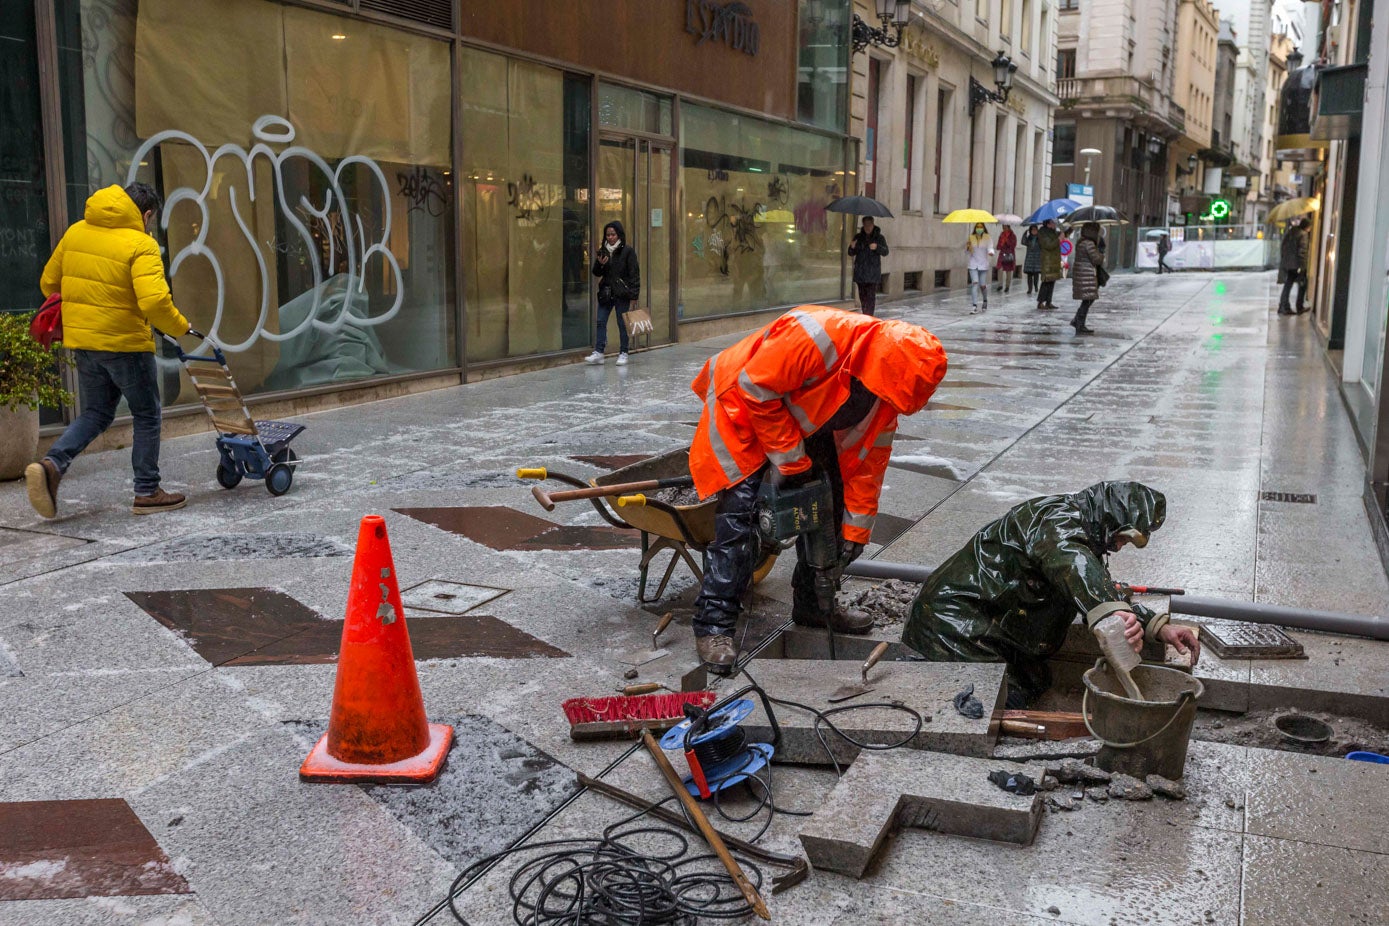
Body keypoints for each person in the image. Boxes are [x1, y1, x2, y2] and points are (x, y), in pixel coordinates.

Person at [686, 308, 948, 671]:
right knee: (741, 520)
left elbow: (866, 464)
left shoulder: (885, 394)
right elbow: (755, 388)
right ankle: (714, 624)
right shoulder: (815, 336)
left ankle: (812, 604)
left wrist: (854, 532)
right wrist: (792, 464)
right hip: (742, 408)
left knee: (831, 509)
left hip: (797, 421)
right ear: (880, 368)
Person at [901, 481, 1201, 708]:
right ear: (1109, 521)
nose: (1119, 547)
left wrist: (1158, 627)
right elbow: (1071, 561)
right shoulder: (1056, 524)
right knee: (1005, 697)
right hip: (953, 621)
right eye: (1121, 538)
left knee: (1034, 681)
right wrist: (1109, 612)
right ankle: (925, 679)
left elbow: (1096, 581)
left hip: (990, 620)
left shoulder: (1081, 529)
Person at [25, 183, 193, 519]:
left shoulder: (76, 233)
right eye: (150, 219)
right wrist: (180, 327)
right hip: (125, 344)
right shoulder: (141, 244)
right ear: (145, 214)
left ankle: (52, 464)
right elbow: (154, 301)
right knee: (147, 413)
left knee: (97, 413)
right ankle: (147, 490)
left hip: (84, 343)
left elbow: (48, 283)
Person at [587, 220, 639, 365]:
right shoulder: (603, 251)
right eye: (607, 235)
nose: (610, 237)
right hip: (606, 292)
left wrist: (634, 295)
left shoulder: (627, 251)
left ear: (619, 235)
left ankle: (623, 352)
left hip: (621, 293)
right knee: (600, 321)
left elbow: (634, 274)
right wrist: (600, 263)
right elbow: (596, 272)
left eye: (613, 234)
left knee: (622, 323)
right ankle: (599, 352)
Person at [847, 217, 888, 316]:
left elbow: (886, 252)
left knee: (870, 298)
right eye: (866, 225)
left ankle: (869, 317)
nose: (868, 227)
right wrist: (852, 247)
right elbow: (851, 253)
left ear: (873, 224)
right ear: (863, 225)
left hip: (873, 273)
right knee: (863, 297)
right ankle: (866, 315)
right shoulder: (858, 237)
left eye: (869, 225)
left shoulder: (879, 238)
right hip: (860, 273)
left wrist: (877, 247)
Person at [1069, 222, 1104, 335]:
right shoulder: (1089, 244)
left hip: (1082, 274)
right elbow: (1096, 259)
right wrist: (1101, 254)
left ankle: (1077, 321)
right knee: (1088, 299)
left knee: (1087, 300)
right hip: (1086, 274)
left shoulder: (1082, 242)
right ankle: (1079, 323)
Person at [1277, 218, 1309, 315]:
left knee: (1288, 284)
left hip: (1287, 263)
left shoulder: (1291, 232)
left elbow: (1283, 245)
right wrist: (1303, 267)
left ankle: (1284, 306)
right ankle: (1298, 306)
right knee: (1303, 283)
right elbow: (1302, 252)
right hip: (1296, 264)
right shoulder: (1303, 234)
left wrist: (1284, 258)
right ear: (1307, 227)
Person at [965, 223, 994, 313]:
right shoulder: (971, 237)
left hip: (983, 265)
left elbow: (990, 248)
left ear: (984, 228)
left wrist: (991, 252)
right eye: (978, 227)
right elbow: (967, 253)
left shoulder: (987, 237)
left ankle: (985, 300)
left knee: (982, 285)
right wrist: (968, 248)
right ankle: (974, 305)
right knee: (975, 283)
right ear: (975, 228)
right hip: (973, 264)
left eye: (981, 227)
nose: (979, 229)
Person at [1035, 219, 1062, 310]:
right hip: (1047, 261)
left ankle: (1048, 302)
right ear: (1048, 224)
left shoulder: (1053, 232)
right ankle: (1040, 302)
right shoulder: (1042, 233)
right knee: (1046, 282)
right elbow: (1048, 245)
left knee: (1052, 282)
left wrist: (1070, 229)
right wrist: (1059, 239)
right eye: (1053, 222)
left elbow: (1061, 235)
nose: (1055, 224)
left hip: (1053, 261)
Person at [995, 224, 1017, 293]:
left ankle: (1007, 286)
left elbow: (1013, 245)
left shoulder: (1013, 235)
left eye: (1005, 227)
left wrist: (1006, 241)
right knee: (1000, 269)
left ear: (1009, 227)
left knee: (1008, 271)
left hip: (1009, 254)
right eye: (1003, 227)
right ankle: (1000, 285)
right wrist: (1000, 244)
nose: (1004, 229)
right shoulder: (1001, 235)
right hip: (1002, 254)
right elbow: (998, 246)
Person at [1021, 224, 1042, 294]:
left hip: (1037, 259)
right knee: (1029, 275)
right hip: (1029, 259)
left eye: (1035, 230)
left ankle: (1036, 286)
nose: (1034, 231)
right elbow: (1023, 242)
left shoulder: (1039, 238)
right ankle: (1030, 289)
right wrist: (1025, 234)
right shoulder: (1029, 238)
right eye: (1032, 230)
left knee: (1036, 275)